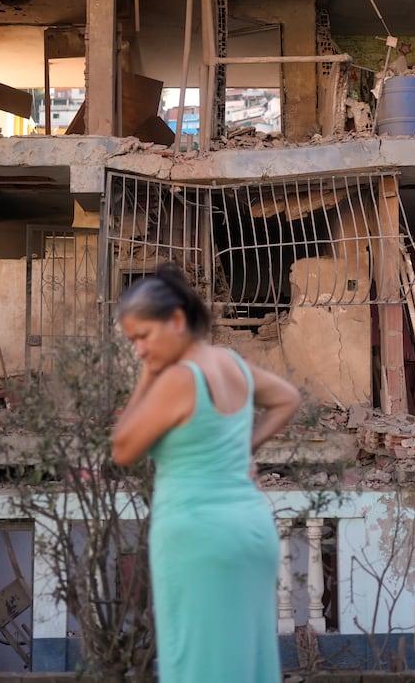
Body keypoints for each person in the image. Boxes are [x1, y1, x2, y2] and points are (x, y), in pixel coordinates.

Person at [111, 263, 301, 683]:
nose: (139, 349)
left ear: (176, 321)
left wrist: (146, 376)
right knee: (245, 667)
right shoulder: (229, 362)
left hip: (200, 537)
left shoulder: (179, 378)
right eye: (133, 342)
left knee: (200, 666)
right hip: (250, 529)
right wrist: (243, 447)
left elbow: (123, 447)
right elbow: (287, 398)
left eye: (143, 337)